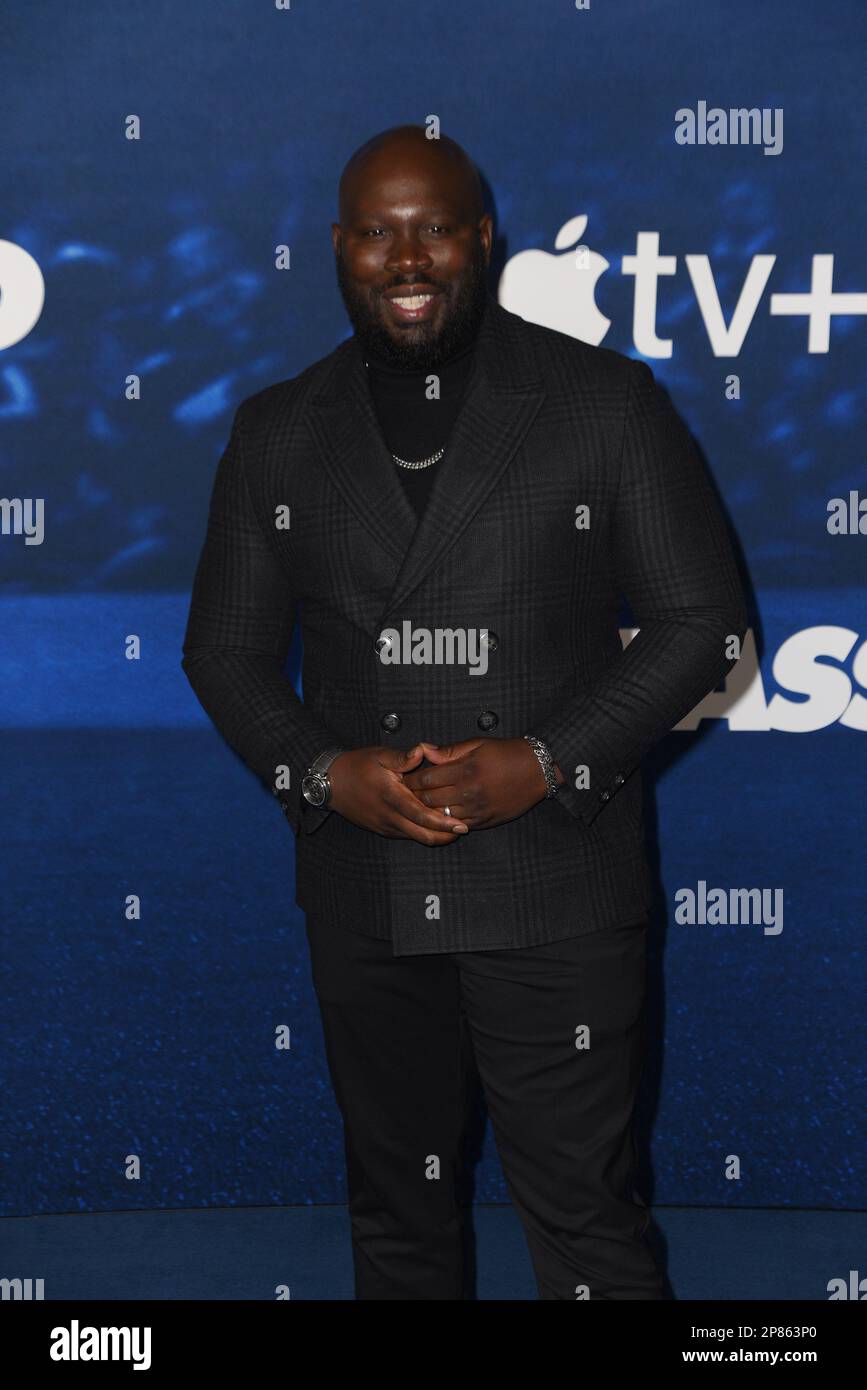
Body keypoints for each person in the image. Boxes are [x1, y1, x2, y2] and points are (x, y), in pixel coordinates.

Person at [182, 123, 748, 1299]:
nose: (407, 257)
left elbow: (705, 621)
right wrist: (323, 774)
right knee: (398, 1221)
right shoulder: (277, 429)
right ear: (337, 247)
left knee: (588, 1224)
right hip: (367, 891)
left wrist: (546, 761)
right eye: (378, 231)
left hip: (555, 885)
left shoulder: (601, 402)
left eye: (434, 227)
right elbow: (224, 653)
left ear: (483, 240)